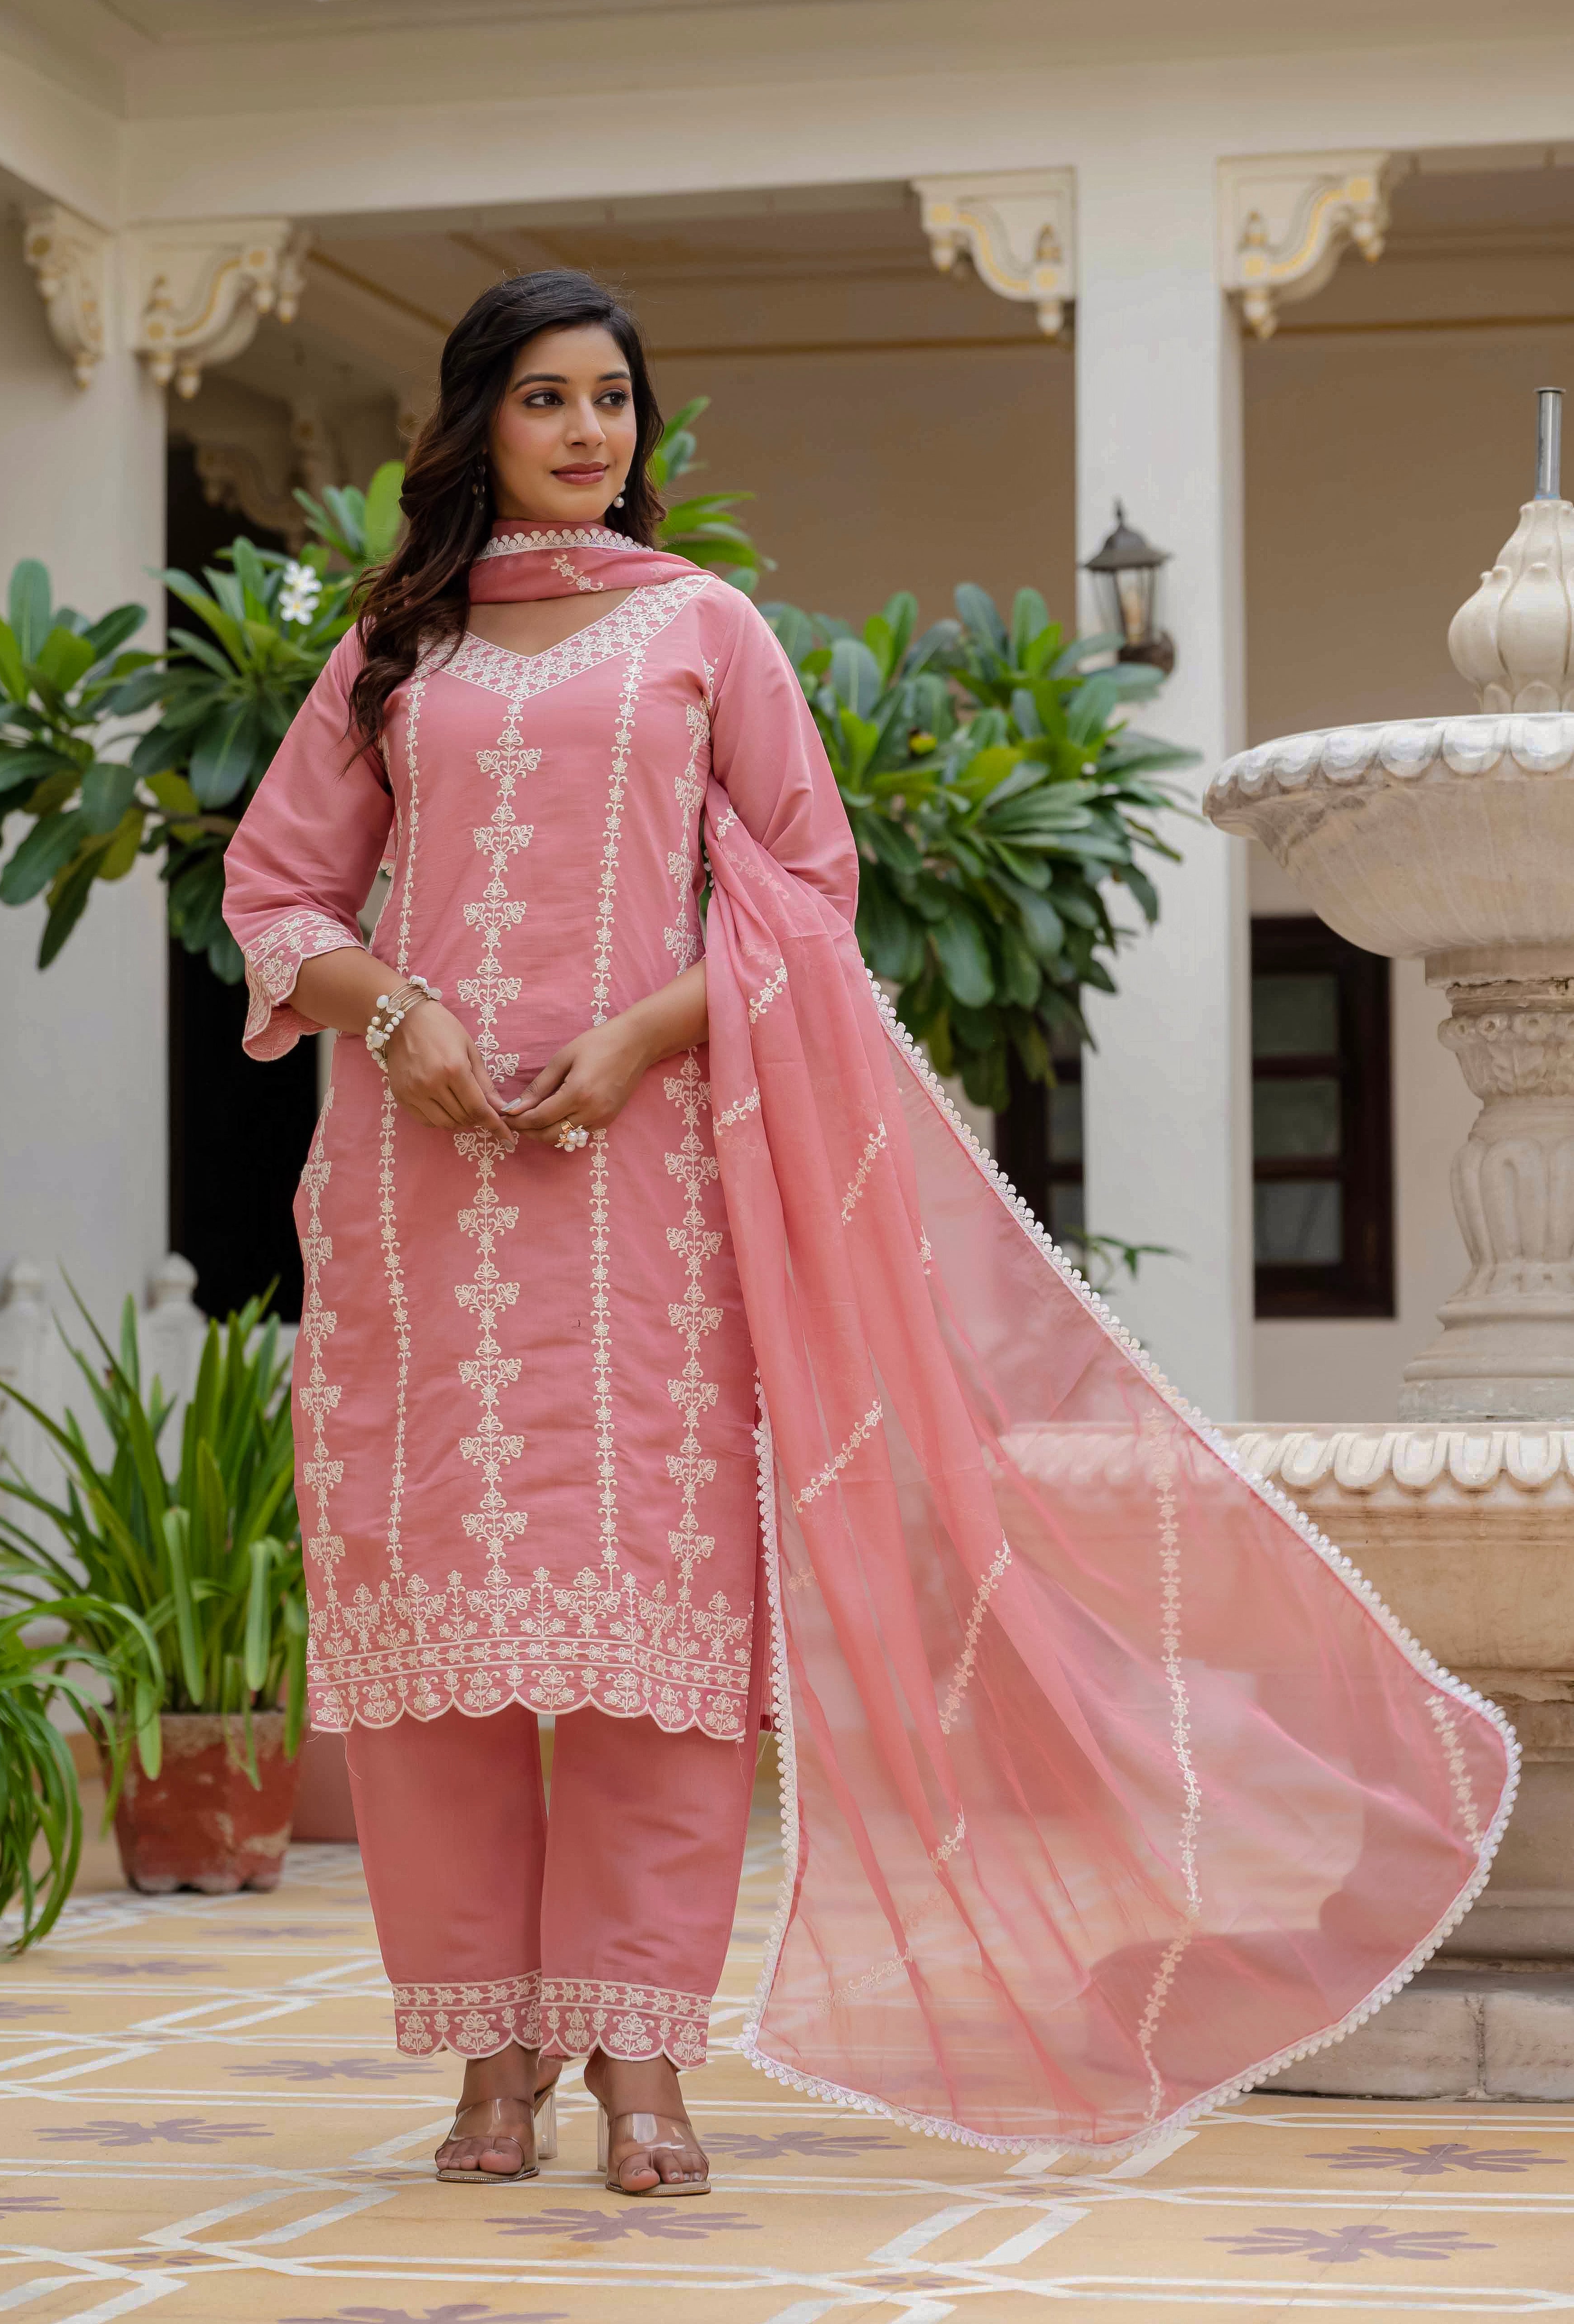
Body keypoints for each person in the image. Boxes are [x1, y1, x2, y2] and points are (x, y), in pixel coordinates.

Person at [225, 268, 1514, 2187]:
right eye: (550, 400)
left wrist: (642, 1038)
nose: (591, 436)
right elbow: (278, 894)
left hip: (646, 1194)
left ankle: (641, 2064)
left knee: (654, 1649)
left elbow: (808, 896)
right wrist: (394, 1013)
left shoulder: (703, 629)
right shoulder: (390, 654)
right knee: (448, 1661)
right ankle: (489, 2058)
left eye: (615, 402)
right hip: (425, 1217)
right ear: (476, 417)